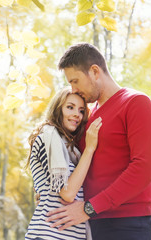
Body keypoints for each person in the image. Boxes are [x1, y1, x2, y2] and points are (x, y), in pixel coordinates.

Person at [46, 43, 151, 240]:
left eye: (75, 81)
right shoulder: (88, 117)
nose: (73, 89)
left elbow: (144, 168)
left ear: (94, 71)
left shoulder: (136, 103)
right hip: (92, 225)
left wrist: (89, 208)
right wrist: (47, 191)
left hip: (128, 224)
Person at [25, 87, 103, 240]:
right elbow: (67, 193)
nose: (77, 114)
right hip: (48, 234)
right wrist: (90, 148)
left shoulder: (71, 149)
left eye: (81, 111)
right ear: (57, 109)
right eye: (70, 107)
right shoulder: (47, 138)